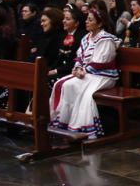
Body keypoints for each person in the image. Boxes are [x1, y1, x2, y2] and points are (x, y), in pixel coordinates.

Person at [49, 8, 121, 139]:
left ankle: (82, 127)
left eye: (90, 20)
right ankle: (64, 123)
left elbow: (101, 62)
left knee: (73, 85)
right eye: (87, 19)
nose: (86, 22)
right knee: (63, 84)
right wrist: (77, 68)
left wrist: (83, 70)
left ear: (99, 24)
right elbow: (79, 58)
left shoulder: (105, 39)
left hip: (104, 75)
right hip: (88, 73)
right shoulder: (86, 38)